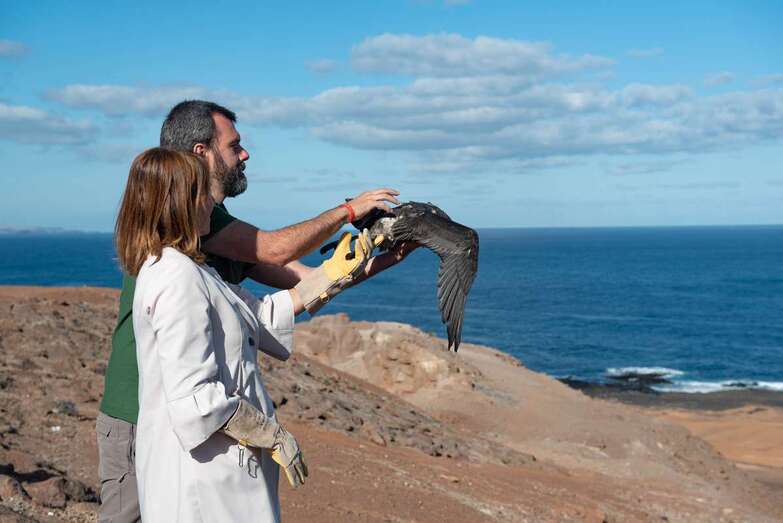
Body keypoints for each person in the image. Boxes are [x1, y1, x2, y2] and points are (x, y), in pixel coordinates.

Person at [97, 101, 415, 522]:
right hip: (144, 419)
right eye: (235, 146)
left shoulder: (197, 252)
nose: (244, 155)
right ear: (200, 155)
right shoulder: (180, 266)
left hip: (204, 438)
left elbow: (288, 296)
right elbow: (275, 249)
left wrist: (372, 260)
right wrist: (349, 211)